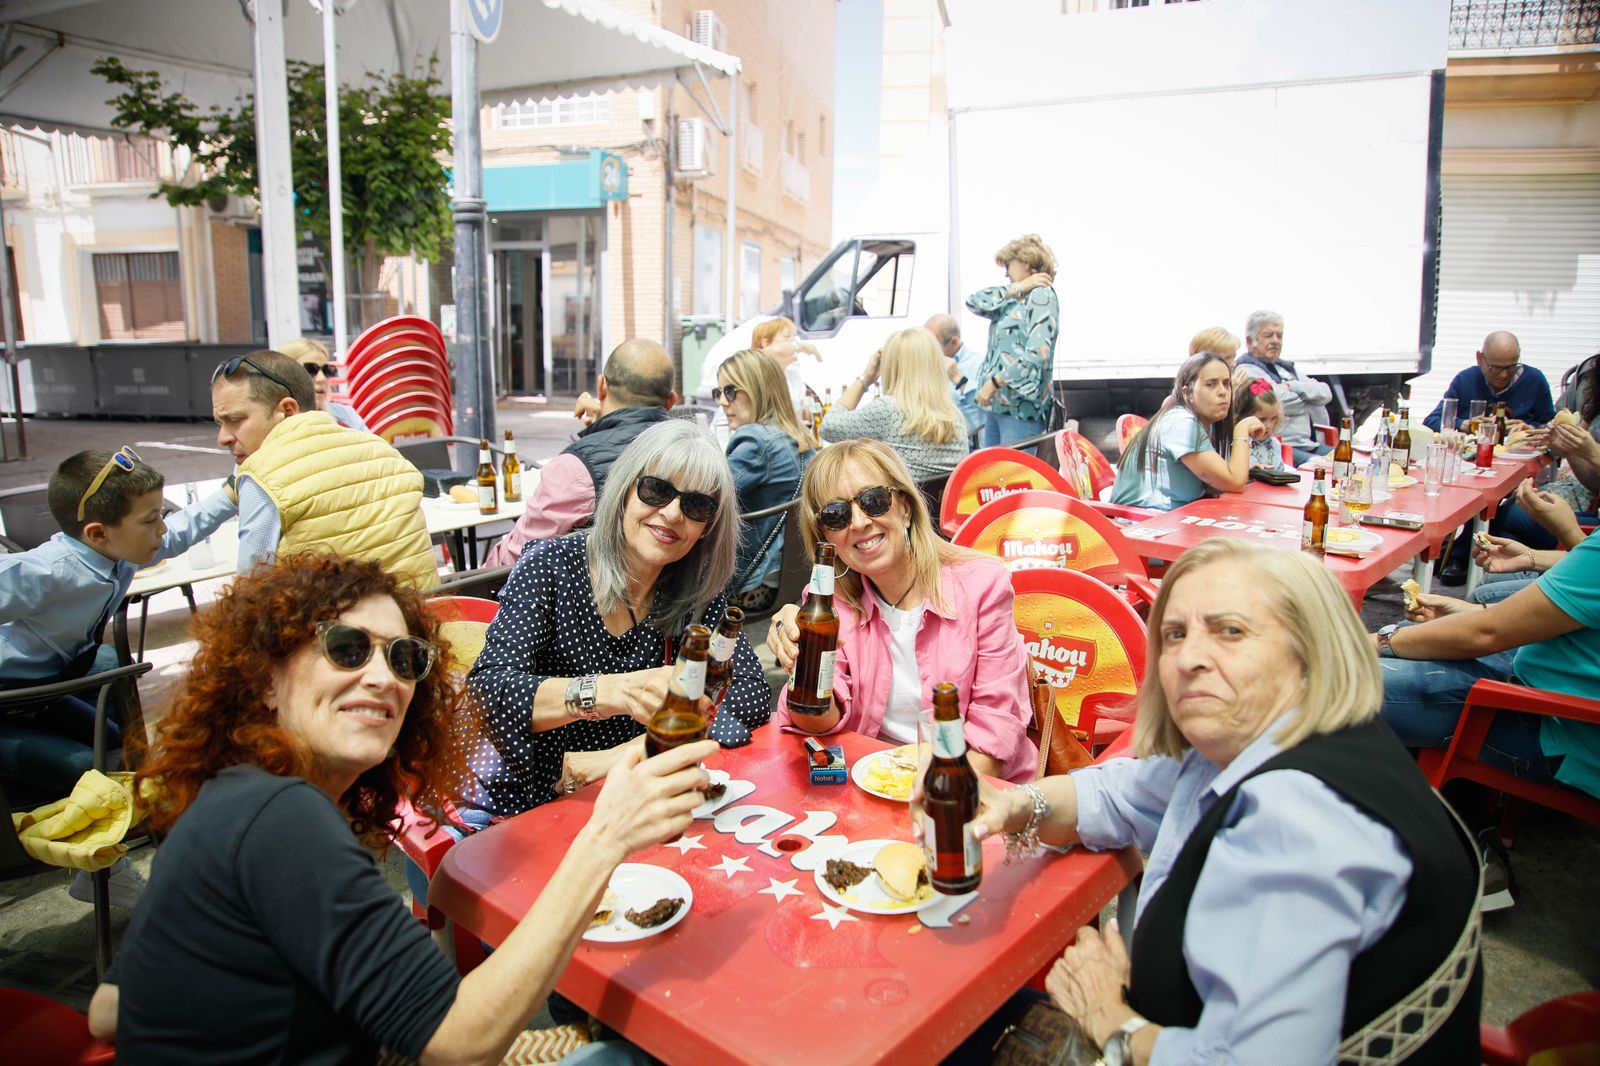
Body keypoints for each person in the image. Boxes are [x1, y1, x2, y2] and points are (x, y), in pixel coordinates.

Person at [88, 553, 709, 1063]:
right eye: (348, 649)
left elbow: (108, 1010)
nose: (386, 678)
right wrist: (605, 837)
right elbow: (460, 1042)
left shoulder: (231, 796)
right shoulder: (279, 817)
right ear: (265, 679)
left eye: (405, 658)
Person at [942, 539, 1481, 1063]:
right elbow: (1121, 793)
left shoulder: (1292, 818)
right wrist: (1017, 805)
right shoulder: (1265, 741)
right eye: (1173, 634)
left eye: (1230, 631)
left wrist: (1111, 1019)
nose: (1189, 657)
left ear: (1309, 651)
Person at [468, 420, 772, 815]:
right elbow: (487, 694)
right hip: (531, 800)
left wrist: (633, 752)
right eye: (657, 490)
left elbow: (749, 695)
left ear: (708, 527)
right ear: (625, 490)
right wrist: (612, 692)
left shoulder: (694, 590)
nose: (673, 513)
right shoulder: (552, 566)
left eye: (696, 505)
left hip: (631, 799)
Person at [0, 447, 235, 907]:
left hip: (44, 694)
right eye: (150, 520)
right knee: (87, 773)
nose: (161, 529)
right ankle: (106, 868)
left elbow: (175, 536)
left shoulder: (115, 554)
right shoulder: (50, 570)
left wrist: (229, 495)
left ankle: (94, 870)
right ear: (97, 532)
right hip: (8, 707)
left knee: (117, 748)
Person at [766, 439, 1036, 782]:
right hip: (874, 785)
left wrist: (932, 805)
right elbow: (817, 724)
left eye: (874, 501)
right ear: (826, 538)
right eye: (837, 515)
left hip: (970, 792)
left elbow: (994, 737)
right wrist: (801, 666)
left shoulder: (983, 586)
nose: (860, 522)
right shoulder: (829, 603)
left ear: (905, 507)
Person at [1375, 529, 1600, 835]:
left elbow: (1485, 634)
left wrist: (1378, 641)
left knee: (1337, 681)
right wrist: (1473, 613)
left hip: (1566, 728)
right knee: (1417, 637)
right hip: (1553, 678)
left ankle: (1468, 843)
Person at [211, 350, 436, 588]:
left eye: (235, 420)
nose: (222, 437)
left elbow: (250, 596)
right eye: (219, 423)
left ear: (287, 410)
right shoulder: (383, 449)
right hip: (425, 616)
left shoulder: (263, 477)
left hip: (335, 624)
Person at [486, 339, 677, 568]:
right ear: (672, 401)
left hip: (591, 599)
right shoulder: (694, 456)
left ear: (601, 387)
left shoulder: (576, 469)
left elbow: (515, 559)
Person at [714, 348, 815, 613]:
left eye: (730, 391)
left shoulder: (756, 441)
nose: (723, 402)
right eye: (719, 393)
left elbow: (704, 495)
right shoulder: (801, 437)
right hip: (792, 578)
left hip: (748, 584)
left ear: (757, 389)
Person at [1109, 352, 1263, 510]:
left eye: (1226, 383)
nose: (1223, 391)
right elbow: (1234, 482)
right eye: (1211, 384)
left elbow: (1219, 482)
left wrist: (1244, 470)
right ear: (1187, 392)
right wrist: (1242, 430)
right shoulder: (1181, 423)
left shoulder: (1200, 421)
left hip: (1173, 519)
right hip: (1144, 524)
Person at [819, 327, 969, 482]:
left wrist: (866, 378)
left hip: (909, 505)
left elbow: (828, 427)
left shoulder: (888, 410)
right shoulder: (954, 415)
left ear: (891, 366)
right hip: (947, 505)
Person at [966, 233, 1060, 449]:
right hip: (998, 407)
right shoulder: (1013, 299)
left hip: (1020, 408)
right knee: (992, 477)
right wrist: (1018, 287)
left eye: (1008, 265)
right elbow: (974, 302)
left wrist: (994, 383)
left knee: (1013, 479)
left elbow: (1038, 354)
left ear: (1025, 262)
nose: (1006, 272)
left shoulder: (1041, 297)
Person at [1235, 310, 1333, 465]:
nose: (1275, 341)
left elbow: (1325, 393)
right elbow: (1276, 402)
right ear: (1249, 340)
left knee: (1347, 459)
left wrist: (1290, 386)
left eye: (1279, 335)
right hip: (1282, 445)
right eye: (1268, 335)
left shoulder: (1285, 368)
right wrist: (1308, 395)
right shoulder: (1247, 369)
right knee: (1322, 466)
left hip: (1309, 444)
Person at [1421, 330, 1555, 432]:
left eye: (1511, 367)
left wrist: (1530, 429)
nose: (1503, 375)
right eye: (1495, 368)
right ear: (1480, 359)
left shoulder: (1534, 380)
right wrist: (1463, 424)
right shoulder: (1466, 380)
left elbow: (1552, 427)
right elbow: (1431, 421)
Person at [277, 336, 370, 432]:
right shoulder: (272, 422)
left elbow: (376, 446)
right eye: (310, 370)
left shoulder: (346, 414)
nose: (322, 378)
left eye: (326, 370)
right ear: (285, 375)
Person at [926, 313, 986, 441]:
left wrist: (958, 378)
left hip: (965, 445)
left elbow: (985, 411)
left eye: (932, 345)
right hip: (931, 440)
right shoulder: (925, 365)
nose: (927, 350)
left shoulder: (979, 364)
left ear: (954, 342)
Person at [1229, 369, 1288, 471]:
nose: (1268, 425)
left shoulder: (1274, 445)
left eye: (1273, 418)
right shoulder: (1234, 444)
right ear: (1243, 416)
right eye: (1262, 419)